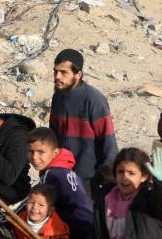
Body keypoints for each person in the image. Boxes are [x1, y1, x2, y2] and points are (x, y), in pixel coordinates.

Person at [49, 48, 118, 188]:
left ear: (78, 74)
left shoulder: (93, 100)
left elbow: (108, 143)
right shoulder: (58, 96)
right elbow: (54, 135)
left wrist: (107, 180)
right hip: (62, 174)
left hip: (89, 179)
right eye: (55, 71)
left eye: (63, 72)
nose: (57, 76)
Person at [26, 127, 93, 239]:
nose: (34, 157)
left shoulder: (51, 175)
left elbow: (40, 203)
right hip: (88, 227)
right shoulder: (64, 170)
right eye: (30, 151)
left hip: (76, 232)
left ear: (55, 153)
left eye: (41, 152)